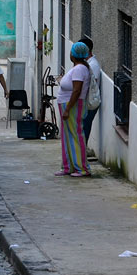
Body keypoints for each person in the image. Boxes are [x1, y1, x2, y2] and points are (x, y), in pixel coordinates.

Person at [55, 41, 94, 177]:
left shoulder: (79, 69)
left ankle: (82, 168)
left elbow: (77, 90)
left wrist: (67, 109)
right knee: (67, 136)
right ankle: (68, 166)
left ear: (73, 54)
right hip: (66, 104)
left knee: (75, 135)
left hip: (72, 106)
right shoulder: (78, 67)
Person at [79, 37, 102, 148]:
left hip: (90, 102)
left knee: (85, 127)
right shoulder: (87, 64)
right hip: (86, 101)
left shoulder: (93, 65)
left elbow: (91, 84)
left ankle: (83, 152)